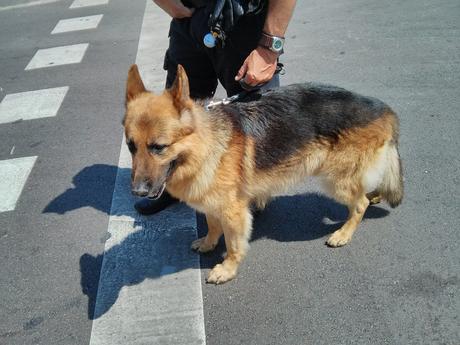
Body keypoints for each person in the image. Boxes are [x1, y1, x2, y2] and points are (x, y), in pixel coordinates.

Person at [135, 0, 297, 215]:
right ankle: (175, 185)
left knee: (257, 122)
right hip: (189, 17)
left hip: (242, 18)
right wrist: (169, 4)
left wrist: (269, 47)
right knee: (175, 117)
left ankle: (247, 198)